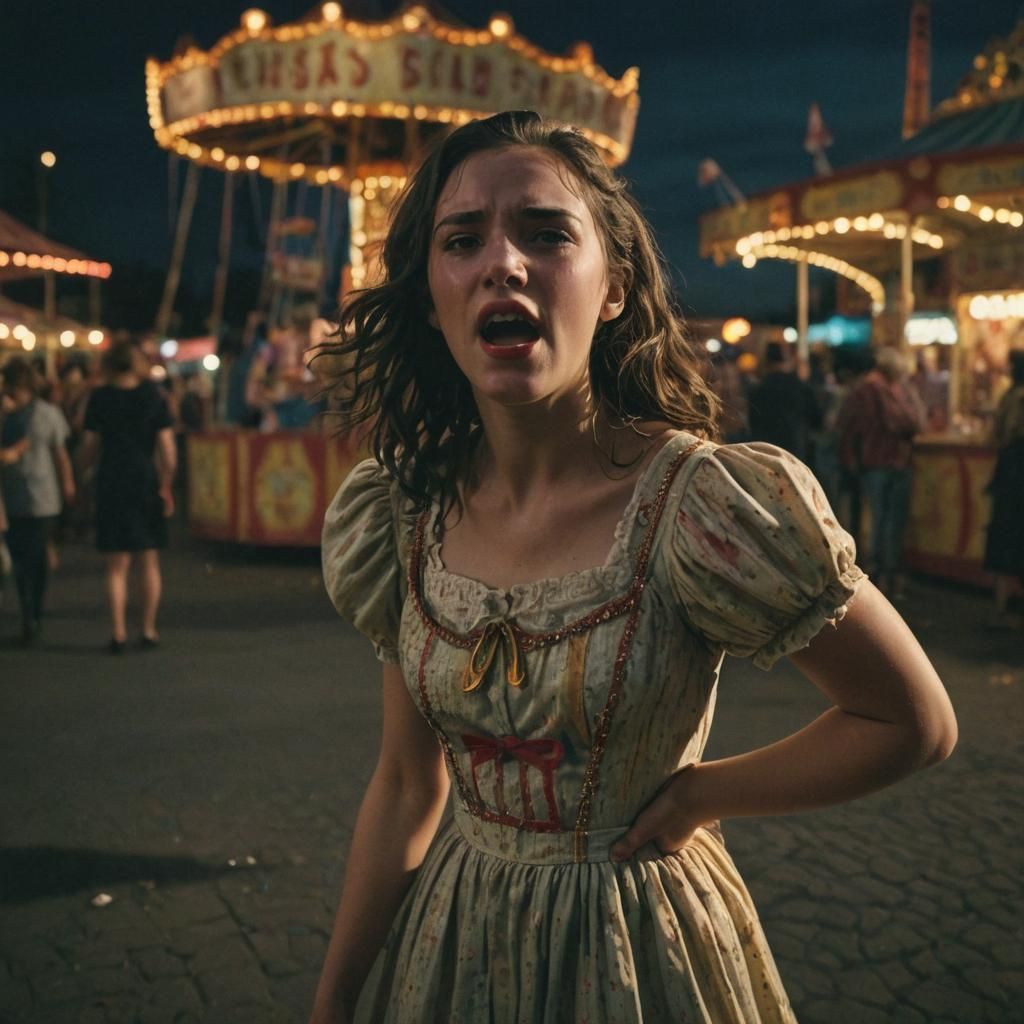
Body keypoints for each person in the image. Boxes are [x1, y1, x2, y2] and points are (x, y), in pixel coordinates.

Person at [311, 111, 957, 1024]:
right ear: (429, 294)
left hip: (640, 948)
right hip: (456, 943)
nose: (502, 262)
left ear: (612, 286)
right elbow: (410, 784)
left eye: (545, 233)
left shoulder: (699, 503)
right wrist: (334, 999)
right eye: (463, 239)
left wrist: (705, 791)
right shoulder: (403, 511)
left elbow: (912, 720)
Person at [80, 341, 176, 652]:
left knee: (116, 565)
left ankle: (118, 632)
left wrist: (82, 474)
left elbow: (90, 445)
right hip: (144, 479)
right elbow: (168, 451)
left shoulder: (100, 397)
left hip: (112, 479)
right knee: (148, 560)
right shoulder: (153, 396)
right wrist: (165, 484)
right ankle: (148, 629)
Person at [838, 346, 925, 598]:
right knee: (888, 523)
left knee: (879, 521)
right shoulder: (880, 389)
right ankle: (883, 578)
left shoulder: (866, 389)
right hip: (887, 461)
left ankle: (878, 577)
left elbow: (844, 425)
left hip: (874, 462)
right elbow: (906, 422)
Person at [0, 358, 75, 644]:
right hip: (15, 495)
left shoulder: (46, 414)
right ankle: (29, 611)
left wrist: (67, 482)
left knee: (37, 556)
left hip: (43, 495)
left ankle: (35, 611)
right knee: (20, 556)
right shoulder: (5, 415)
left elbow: (60, 453)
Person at [983, 349, 1024, 627]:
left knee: (1003, 534)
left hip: (1010, 471)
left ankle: (999, 607)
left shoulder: (1013, 397)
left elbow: (998, 433)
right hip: (1015, 470)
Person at [746, 340, 821, 462]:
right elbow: (817, 420)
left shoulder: (758, 389)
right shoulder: (800, 387)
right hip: (795, 450)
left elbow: (752, 422)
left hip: (765, 450)